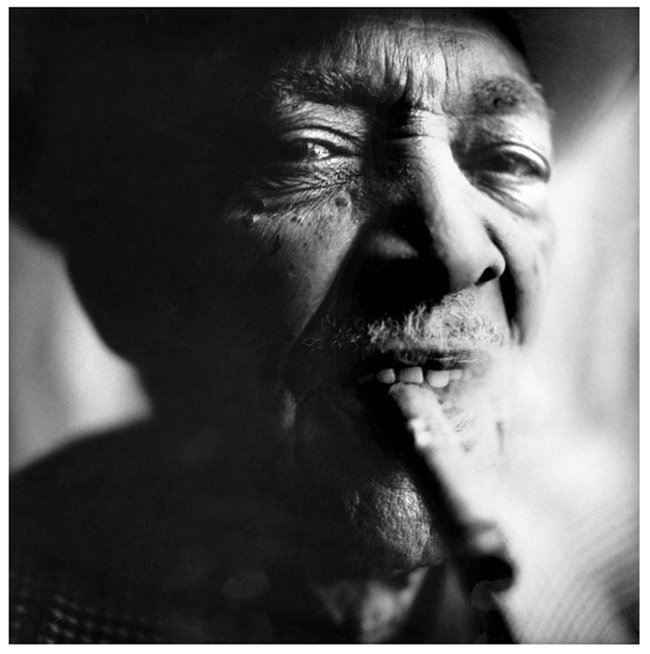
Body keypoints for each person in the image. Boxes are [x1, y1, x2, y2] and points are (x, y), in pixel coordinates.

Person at [9, 8, 638, 644]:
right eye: (308, 149)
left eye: (507, 159)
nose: (457, 250)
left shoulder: (622, 554)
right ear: (125, 280)